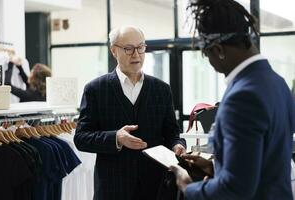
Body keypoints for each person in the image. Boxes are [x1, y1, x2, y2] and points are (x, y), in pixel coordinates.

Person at [170, 0, 295, 199]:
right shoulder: (277, 83)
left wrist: (187, 187)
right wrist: (215, 166)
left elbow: (234, 190)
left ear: (218, 50)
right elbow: (264, 163)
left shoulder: (242, 97)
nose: (209, 63)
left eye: (206, 54)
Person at [74, 26, 186, 200]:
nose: (136, 54)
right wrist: (116, 138)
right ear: (114, 51)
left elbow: (172, 132)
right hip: (113, 189)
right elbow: (81, 138)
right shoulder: (95, 89)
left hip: (156, 187)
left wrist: (178, 145)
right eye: (128, 48)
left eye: (141, 47)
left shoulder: (162, 89)